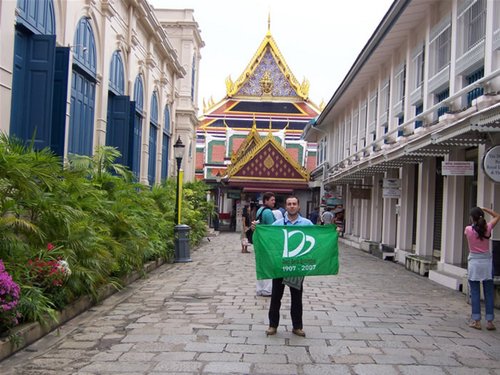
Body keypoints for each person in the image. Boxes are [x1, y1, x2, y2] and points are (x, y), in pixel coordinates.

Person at [265, 195, 313, 337]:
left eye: (294, 204)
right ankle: (272, 325)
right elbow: (268, 238)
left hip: (296, 266)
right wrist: (257, 229)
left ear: (299, 206)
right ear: (286, 206)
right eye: (289, 204)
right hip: (280, 266)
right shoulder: (278, 224)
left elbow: (318, 236)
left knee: (296, 297)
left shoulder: (307, 223)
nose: (292, 206)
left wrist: (332, 233)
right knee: (275, 297)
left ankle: (297, 326)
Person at [464, 206, 500, 331]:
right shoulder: (487, 228)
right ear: (481, 217)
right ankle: (490, 321)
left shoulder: (468, 230)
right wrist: (486, 209)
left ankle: (476, 320)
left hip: (474, 262)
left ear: (471, 218)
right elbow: (497, 216)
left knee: (475, 292)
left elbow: (472, 231)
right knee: (489, 292)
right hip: (487, 263)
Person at [254, 192, 277, 297]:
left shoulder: (260, 210)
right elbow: (273, 228)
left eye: (274, 200)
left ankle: (259, 288)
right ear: (266, 201)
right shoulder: (268, 212)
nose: (274, 202)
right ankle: (268, 289)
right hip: (267, 241)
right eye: (272, 200)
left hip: (259, 240)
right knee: (269, 265)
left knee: (261, 264)